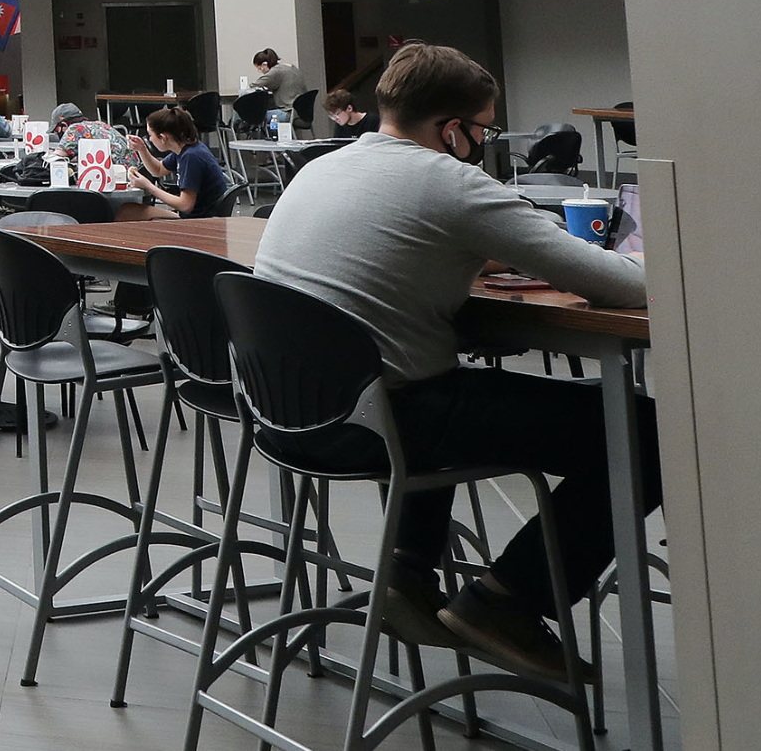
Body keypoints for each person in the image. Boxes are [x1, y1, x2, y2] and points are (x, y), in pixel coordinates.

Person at [255, 41, 657, 680]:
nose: (483, 142)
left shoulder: (321, 167)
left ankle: (407, 576)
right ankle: (507, 602)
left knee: (434, 373)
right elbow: (620, 287)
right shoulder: (451, 181)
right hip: (381, 418)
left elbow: (407, 242)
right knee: (644, 433)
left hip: (289, 413)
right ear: (452, 129)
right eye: (483, 130)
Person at [128, 104, 229, 216]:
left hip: (201, 221)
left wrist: (149, 186)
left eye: (150, 135)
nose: (149, 139)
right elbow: (158, 170)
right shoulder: (187, 149)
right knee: (127, 210)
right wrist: (142, 149)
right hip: (200, 216)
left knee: (128, 213)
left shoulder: (191, 157)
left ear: (163, 137)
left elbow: (185, 205)